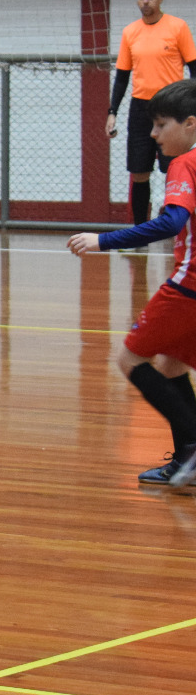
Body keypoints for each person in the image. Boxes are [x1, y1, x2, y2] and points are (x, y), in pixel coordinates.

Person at [68, 79, 196, 487]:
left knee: (129, 360)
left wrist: (103, 240)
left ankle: (193, 450)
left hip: (188, 287)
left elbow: (171, 222)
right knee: (171, 365)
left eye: (161, 124)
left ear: (190, 123)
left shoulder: (184, 164)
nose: (153, 134)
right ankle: (186, 459)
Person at [106, 0, 196, 224]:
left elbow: (193, 69)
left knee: (174, 168)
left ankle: (176, 227)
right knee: (139, 172)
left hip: (171, 108)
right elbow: (122, 77)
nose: (145, 1)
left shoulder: (177, 27)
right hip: (140, 108)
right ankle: (140, 232)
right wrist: (112, 112)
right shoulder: (130, 32)